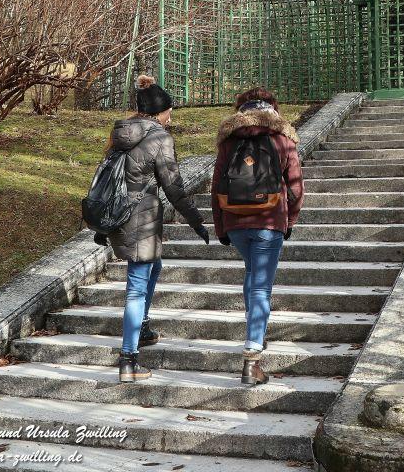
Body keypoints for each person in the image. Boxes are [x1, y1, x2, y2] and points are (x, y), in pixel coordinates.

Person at [99, 74, 209, 383]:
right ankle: (128, 359)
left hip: (119, 217)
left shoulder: (120, 133)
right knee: (136, 286)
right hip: (141, 221)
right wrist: (196, 220)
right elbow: (173, 187)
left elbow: (108, 178)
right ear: (160, 112)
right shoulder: (159, 138)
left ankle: (143, 327)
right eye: (169, 112)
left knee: (154, 266)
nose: (170, 117)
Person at [212, 87, 304, 386]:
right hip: (269, 220)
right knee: (261, 286)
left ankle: (256, 330)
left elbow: (216, 186)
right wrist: (289, 220)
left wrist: (220, 226)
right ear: (272, 107)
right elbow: (295, 187)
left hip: (235, 221)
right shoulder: (283, 138)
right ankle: (252, 358)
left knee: (252, 274)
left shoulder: (229, 139)